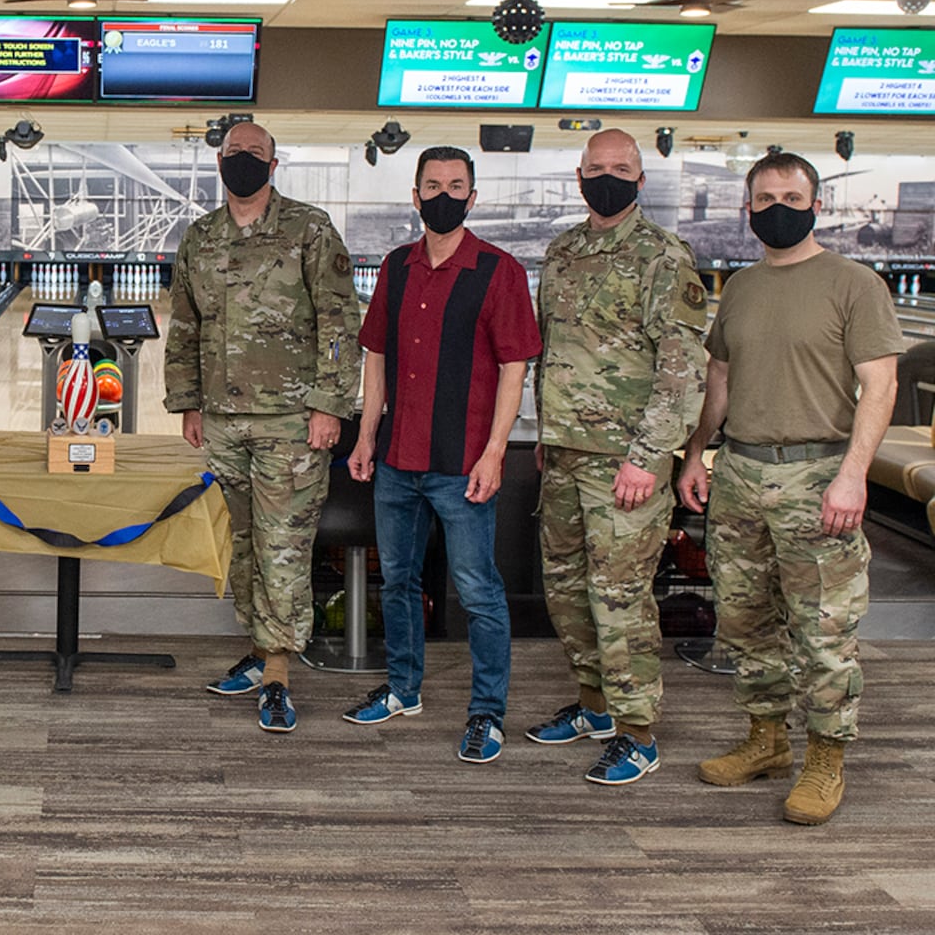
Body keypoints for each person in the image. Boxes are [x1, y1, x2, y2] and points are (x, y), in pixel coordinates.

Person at [678, 152, 901, 825]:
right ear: (747, 209)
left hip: (818, 473)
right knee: (744, 620)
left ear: (816, 205)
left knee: (824, 630)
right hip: (740, 472)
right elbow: (719, 382)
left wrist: (853, 474)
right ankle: (767, 740)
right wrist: (695, 454)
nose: (779, 206)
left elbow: (881, 386)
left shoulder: (854, 283)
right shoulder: (741, 288)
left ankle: (825, 758)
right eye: (765, 196)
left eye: (792, 195)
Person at [344, 146, 541, 764]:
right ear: (415, 195)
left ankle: (488, 714)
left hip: (462, 465)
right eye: (433, 185)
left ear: (473, 197)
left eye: (456, 185)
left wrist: (494, 453)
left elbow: (515, 368)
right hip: (398, 459)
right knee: (397, 581)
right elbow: (376, 354)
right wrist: (366, 435)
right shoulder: (396, 267)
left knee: (478, 589)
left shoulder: (498, 270)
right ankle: (404, 689)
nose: (444, 195)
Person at [165, 120, 360, 734]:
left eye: (255, 153)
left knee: (283, 548)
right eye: (233, 154)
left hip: (292, 422)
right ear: (218, 162)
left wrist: (331, 404)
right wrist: (188, 402)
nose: (243, 161)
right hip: (223, 421)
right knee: (246, 545)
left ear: (274, 165)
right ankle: (258, 652)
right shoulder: (200, 237)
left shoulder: (309, 228)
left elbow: (339, 323)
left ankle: (278, 673)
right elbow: (185, 327)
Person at [528, 128, 707, 785]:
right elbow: (555, 352)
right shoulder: (563, 250)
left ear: (640, 179)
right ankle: (595, 705)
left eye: (620, 167)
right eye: (596, 167)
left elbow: (683, 366)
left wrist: (648, 456)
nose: (607, 176)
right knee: (568, 588)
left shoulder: (663, 256)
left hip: (626, 463)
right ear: (580, 176)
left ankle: (638, 732)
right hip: (567, 454)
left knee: (620, 597)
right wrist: (549, 435)